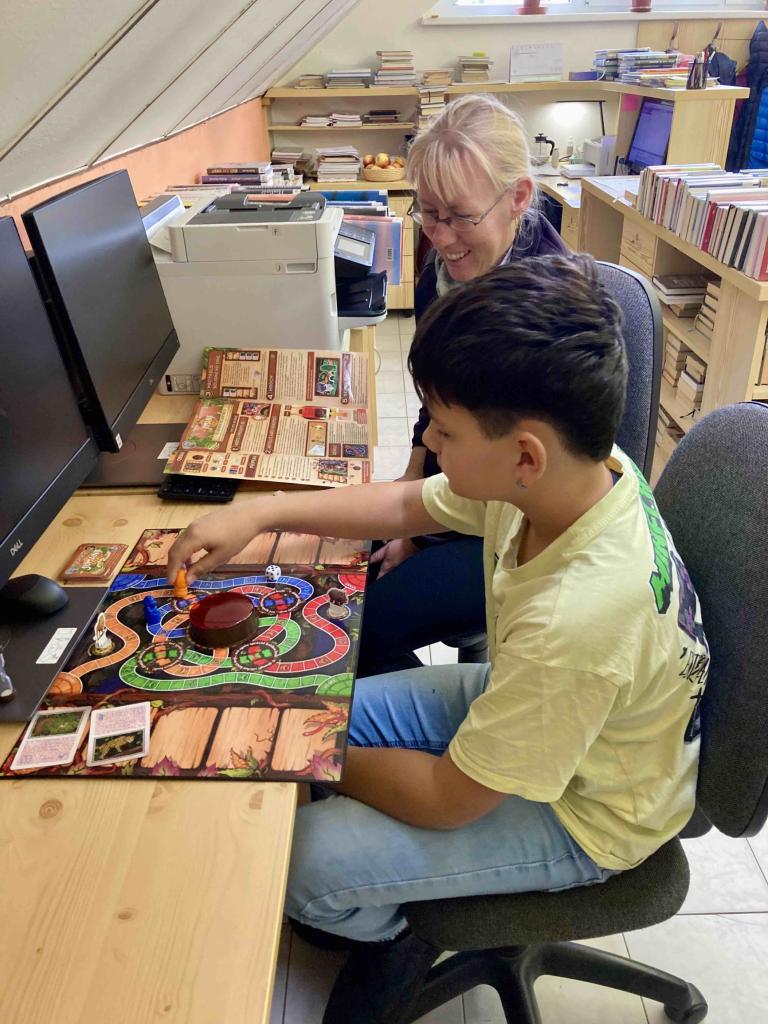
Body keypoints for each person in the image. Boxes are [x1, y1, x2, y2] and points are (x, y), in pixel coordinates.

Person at [167, 256, 709, 1024]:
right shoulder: (579, 472)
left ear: (524, 456)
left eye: (444, 431)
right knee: (317, 706)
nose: (427, 439)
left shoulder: (577, 616)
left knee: (305, 858)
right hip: (544, 708)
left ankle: (398, 934)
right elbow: (403, 508)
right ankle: (371, 855)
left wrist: (301, 749)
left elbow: (450, 801)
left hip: (594, 812)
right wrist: (260, 513)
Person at [358, 93, 568, 677]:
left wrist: (413, 534)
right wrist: (408, 479)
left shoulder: (542, 314)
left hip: (517, 523)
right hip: (455, 492)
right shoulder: (445, 272)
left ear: (518, 197)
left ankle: (423, 717)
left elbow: (518, 478)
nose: (442, 236)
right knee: (337, 561)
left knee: (358, 624)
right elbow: (437, 408)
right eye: (428, 213)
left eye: (460, 216)